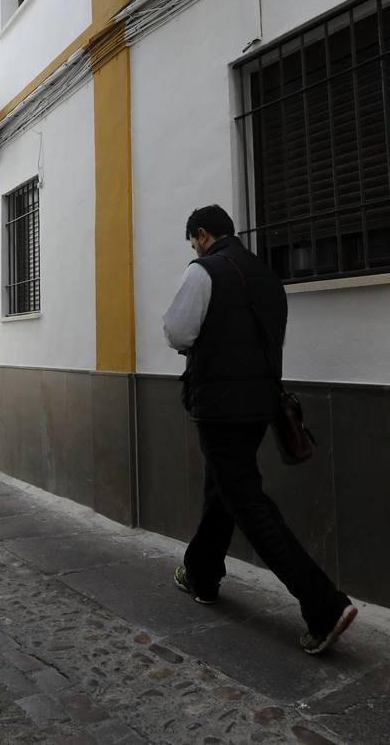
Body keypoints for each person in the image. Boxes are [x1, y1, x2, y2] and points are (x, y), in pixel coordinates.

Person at [163, 204, 356, 655]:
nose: (194, 248)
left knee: (246, 501)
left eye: (193, 241)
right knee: (224, 488)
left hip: (218, 407)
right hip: (260, 407)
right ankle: (201, 573)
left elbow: (177, 333)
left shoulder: (203, 272)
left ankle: (324, 605)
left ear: (203, 235)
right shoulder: (268, 277)